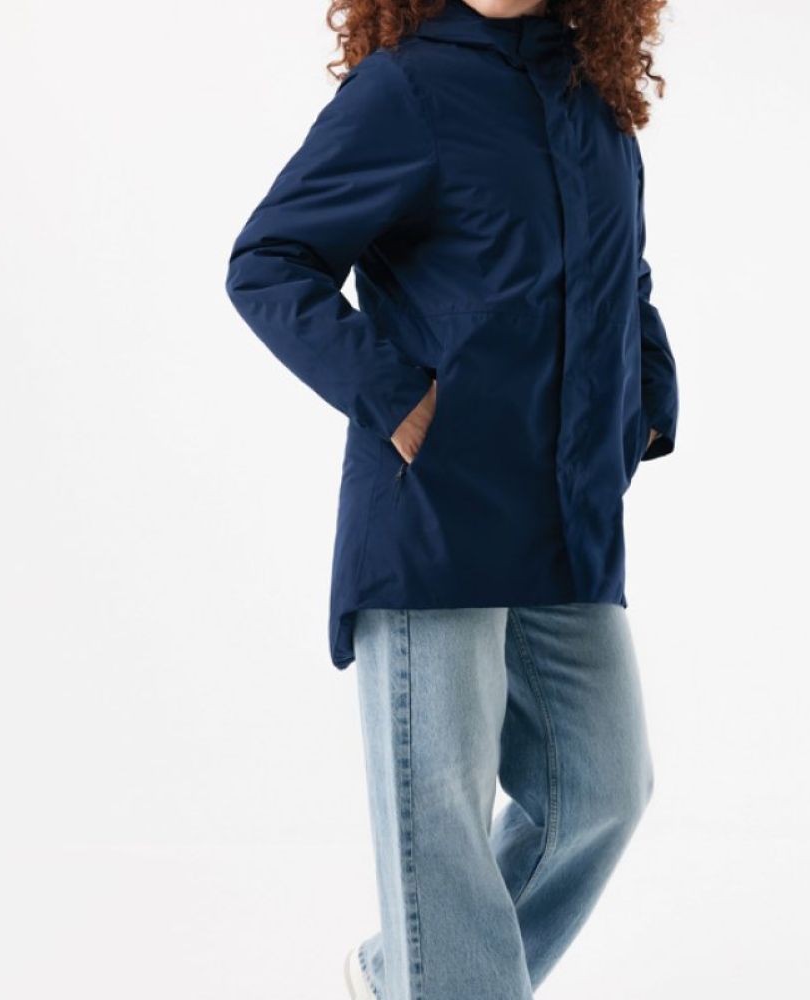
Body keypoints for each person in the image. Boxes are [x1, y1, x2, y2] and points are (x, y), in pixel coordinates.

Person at [224, 0, 679, 996]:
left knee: (602, 789)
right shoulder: (406, 88)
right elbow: (269, 261)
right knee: (442, 824)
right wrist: (396, 396)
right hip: (433, 517)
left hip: (566, 520)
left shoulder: (594, 100)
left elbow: (624, 276)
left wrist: (647, 402)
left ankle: (401, 977)